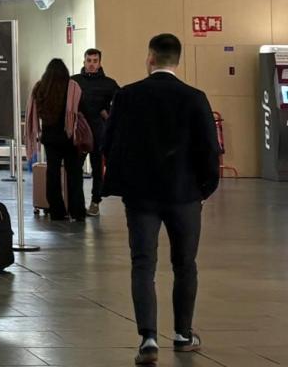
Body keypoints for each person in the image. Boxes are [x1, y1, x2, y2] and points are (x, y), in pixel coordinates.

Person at [102, 34, 220, 365]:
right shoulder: (195, 97)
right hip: (184, 196)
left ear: (150, 57)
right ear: (177, 61)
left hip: (141, 196)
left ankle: (148, 339)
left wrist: (122, 179)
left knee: (143, 263)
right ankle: (183, 334)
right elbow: (210, 149)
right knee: (185, 265)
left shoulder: (127, 96)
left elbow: (108, 142)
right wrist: (204, 188)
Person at [25, 58, 87, 221]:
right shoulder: (73, 87)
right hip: (69, 137)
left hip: (50, 138)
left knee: (53, 173)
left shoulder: (40, 88)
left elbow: (35, 111)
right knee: (74, 174)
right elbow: (81, 109)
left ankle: (56, 211)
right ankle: (77, 211)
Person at [72, 48, 120, 217]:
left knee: (97, 169)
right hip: (79, 132)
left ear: (100, 63)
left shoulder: (109, 83)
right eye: (89, 60)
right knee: (75, 168)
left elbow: (120, 104)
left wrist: (107, 115)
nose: (92, 64)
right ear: (84, 61)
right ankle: (76, 202)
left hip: (99, 133)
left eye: (95, 61)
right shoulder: (74, 82)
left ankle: (95, 202)